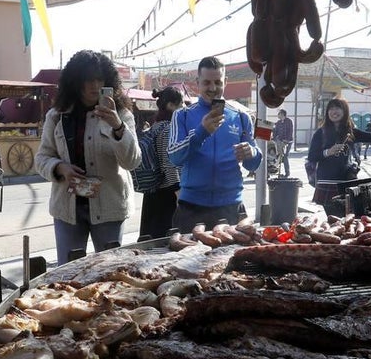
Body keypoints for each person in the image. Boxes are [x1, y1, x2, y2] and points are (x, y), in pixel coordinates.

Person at [35, 50, 140, 265]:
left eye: (99, 79)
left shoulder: (122, 115)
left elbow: (132, 161)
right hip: (68, 208)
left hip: (110, 206)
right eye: (87, 79)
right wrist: (59, 167)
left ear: (108, 81)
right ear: (75, 82)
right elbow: (42, 157)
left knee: (111, 271)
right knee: (68, 271)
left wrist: (117, 127)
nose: (94, 85)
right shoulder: (57, 115)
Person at [168, 56, 262, 230]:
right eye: (207, 83)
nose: (213, 88)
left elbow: (252, 165)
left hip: (231, 206)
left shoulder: (241, 116)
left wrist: (252, 153)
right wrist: (201, 131)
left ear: (225, 81)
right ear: (197, 83)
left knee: (234, 257)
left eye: (218, 82)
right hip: (191, 206)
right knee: (185, 257)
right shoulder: (182, 115)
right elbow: (174, 157)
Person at [307, 98, 371, 217]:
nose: (334, 111)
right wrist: (328, 152)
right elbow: (312, 156)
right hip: (326, 181)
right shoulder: (320, 133)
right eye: (331, 109)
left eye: (338, 108)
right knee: (333, 218)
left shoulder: (351, 132)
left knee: (347, 218)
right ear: (327, 112)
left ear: (345, 112)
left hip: (346, 181)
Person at [139, 86, 184, 240]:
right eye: (181, 103)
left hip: (152, 191)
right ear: (171, 105)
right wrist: (179, 195)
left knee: (151, 240)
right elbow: (169, 164)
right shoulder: (169, 129)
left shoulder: (154, 127)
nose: (184, 107)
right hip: (167, 195)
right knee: (166, 242)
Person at [272, 108, 295, 176]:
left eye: (279, 113)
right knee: (278, 156)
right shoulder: (278, 122)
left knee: (285, 157)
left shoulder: (289, 121)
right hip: (279, 142)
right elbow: (275, 130)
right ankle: (277, 171)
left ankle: (287, 173)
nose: (278, 115)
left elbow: (290, 131)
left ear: (282, 114)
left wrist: (287, 140)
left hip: (287, 142)